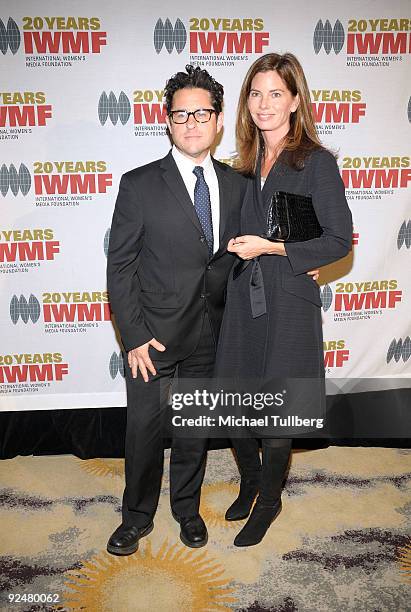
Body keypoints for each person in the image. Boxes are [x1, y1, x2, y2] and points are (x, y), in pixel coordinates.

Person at [106, 65, 249, 554]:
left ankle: (186, 509)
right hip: (155, 336)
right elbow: (120, 265)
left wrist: (301, 262)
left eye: (201, 113)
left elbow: (251, 249)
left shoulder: (237, 184)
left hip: (213, 333)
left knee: (194, 431)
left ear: (218, 120)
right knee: (144, 430)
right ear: (166, 121)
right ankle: (137, 516)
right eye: (180, 113)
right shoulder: (139, 185)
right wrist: (134, 336)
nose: (191, 122)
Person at [215, 53, 353, 547]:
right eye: (256, 93)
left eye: (276, 93)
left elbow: (339, 239)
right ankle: (250, 479)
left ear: (295, 100)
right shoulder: (244, 163)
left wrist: (276, 248)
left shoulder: (315, 161)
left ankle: (270, 499)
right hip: (242, 296)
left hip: (289, 299)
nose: (264, 103)